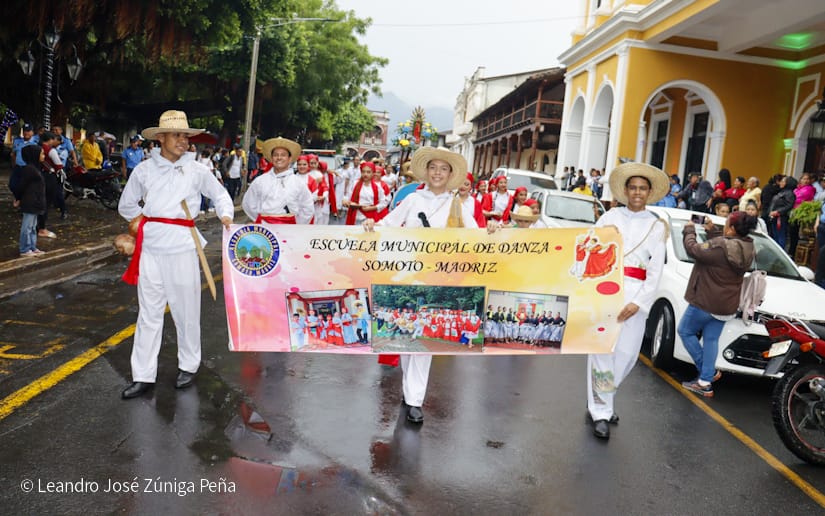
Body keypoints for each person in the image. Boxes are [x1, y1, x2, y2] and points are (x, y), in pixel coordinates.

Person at [364, 147, 495, 424]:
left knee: (424, 339)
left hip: (438, 276)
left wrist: (492, 231)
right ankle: (409, 390)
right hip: (408, 273)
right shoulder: (412, 199)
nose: (438, 173)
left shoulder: (457, 205)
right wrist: (369, 225)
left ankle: (414, 400)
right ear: (427, 171)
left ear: (450, 175)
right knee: (408, 335)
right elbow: (388, 223)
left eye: (443, 169)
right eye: (433, 167)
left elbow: (476, 235)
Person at [118, 110, 234, 399]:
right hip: (151, 248)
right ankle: (143, 375)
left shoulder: (197, 170)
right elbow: (126, 204)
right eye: (177, 135)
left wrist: (226, 215)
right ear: (161, 138)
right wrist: (141, 223)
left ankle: (188, 365)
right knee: (149, 313)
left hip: (183, 246)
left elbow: (220, 195)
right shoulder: (144, 169)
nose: (184, 140)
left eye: (186, 135)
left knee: (186, 311)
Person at [586, 162, 669, 440]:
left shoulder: (657, 226)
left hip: (635, 295)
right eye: (632, 187)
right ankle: (600, 411)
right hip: (605, 293)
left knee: (626, 356)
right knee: (602, 354)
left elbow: (656, 269)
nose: (637, 192)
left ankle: (603, 399)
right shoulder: (609, 217)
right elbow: (588, 248)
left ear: (649, 192)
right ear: (625, 190)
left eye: (642, 188)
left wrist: (640, 302)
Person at [678, 210, 757, 397]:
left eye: (727, 223)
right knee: (711, 340)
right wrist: (713, 231)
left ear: (731, 227)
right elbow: (725, 251)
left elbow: (694, 250)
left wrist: (689, 230)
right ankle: (705, 382)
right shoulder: (748, 246)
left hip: (705, 301)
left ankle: (708, 373)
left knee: (685, 331)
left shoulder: (720, 246)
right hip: (727, 304)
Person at [241, 137, 314, 225]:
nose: (279, 158)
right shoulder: (260, 181)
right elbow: (248, 203)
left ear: (289, 159)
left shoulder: (298, 183)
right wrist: (261, 221)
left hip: (290, 230)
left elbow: (307, 208)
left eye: (283, 155)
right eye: (276, 155)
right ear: (272, 158)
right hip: (265, 230)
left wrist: (296, 227)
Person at [12, 145, 47, 257]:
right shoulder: (29, 169)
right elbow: (21, 186)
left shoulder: (35, 168)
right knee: (27, 226)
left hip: (36, 201)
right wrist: (18, 198)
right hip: (30, 201)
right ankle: (24, 248)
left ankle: (32, 246)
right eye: (41, 153)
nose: (43, 156)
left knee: (32, 227)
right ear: (34, 155)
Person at [768, 175, 797, 251]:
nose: (780, 183)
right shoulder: (781, 192)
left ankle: (780, 251)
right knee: (775, 235)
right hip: (774, 216)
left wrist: (778, 211)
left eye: (783, 181)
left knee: (780, 236)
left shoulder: (789, 193)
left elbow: (789, 205)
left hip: (781, 217)